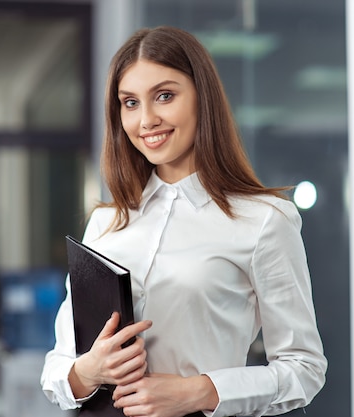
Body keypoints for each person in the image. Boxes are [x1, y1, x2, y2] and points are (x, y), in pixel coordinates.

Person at [41, 26, 327, 417]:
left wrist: (201, 391)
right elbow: (57, 367)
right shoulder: (107, 222)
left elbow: (304, 369)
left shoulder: (264, 221)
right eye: (130, 103)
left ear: (201, 99)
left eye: (164, 96)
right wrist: (88, 371)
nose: (146, 120)